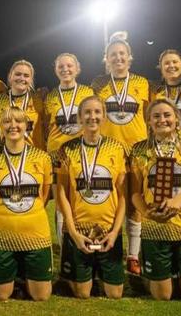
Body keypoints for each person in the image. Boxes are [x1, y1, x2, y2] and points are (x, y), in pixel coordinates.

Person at [129, 99, 181, 301]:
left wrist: (180, 199)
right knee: (162, 297)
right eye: (156, 116)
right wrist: (147, 213)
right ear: (148, 121)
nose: (162, 120)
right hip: (155, 227)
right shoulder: (139, 150)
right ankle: (157, 275)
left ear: (177, 119)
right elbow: (135, 193)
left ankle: (175, 273)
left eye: (167, 115)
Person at [54, 96, 127, 299]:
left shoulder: (117, 148)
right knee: (82, 294)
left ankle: (95, 272)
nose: (92, 116)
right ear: (79, 118)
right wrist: (73, 232)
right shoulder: (66, 149)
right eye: (87, 112)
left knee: (114, 294)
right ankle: (78, 276)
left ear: (104, 117)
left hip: (107, 232)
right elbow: (61, 193)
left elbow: (122, 196)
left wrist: (115, 232)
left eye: (97, 112)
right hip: (78, 230)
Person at [0, 106, 53, 301]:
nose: (13, 125)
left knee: (41, 297)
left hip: (35, 234)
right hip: (0, 235)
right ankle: (14, 274)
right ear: (0, 127)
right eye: (7, 121)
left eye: (18, 121)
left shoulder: (42, 158)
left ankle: (22, 273)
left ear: (26, 125)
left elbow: (43, 195)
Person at [91, 31, 149, 275]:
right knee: (110, 202)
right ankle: (104, 244)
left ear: (130, 57)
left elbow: (148, 116)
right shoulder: (98, 84)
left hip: (136, 151)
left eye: (122, 54)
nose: (118, 58)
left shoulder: (143, 83)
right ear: (106, 59)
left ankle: (133, 255)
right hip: (109, 152)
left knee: (136, 202)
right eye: (113, 55)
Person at [45, 53, 95, 247]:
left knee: (82, 199)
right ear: (55, 70)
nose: (65, 69)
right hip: (57, 155)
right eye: (61, 66)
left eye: (69, 66)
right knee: (60, 201)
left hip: (82, 154)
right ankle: (64, 245)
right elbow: (44, 125)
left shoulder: (88, 92)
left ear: (78, 69)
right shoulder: (49, 96)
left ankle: (88, 238)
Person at [0, 60, 45, 149]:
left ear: (31, 79)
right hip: (7, 156)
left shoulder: (39, 100)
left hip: (35, 157)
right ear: (10, 77)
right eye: (18, 74)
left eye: (26, 76)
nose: (22, 78)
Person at [150, 49, 181, 137]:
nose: (171, 65)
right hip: (161, 145)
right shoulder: (154, 93)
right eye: (167, 63)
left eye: (175, 62)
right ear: (161, 67)